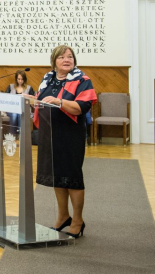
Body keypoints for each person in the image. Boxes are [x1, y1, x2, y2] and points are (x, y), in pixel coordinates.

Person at [27, 45, 96, 239]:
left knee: (72, 178)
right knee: (57, 176)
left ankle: (77, 221)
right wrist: (28, 99)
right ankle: (63, 216)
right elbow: (42, 101)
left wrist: (60, 102)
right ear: (54, 61)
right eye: (62, 57)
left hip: (70, 135)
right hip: (50, 134)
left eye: (70, 57)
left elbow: (82, 107)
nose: (67, 59)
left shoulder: (82, 80)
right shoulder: (48, 79)